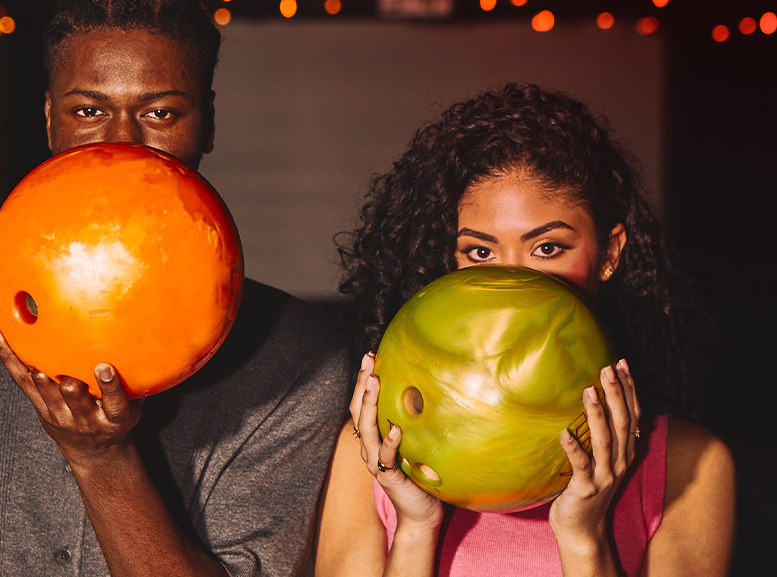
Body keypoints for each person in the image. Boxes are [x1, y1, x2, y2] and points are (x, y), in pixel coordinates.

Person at [0, 0, 351, 576]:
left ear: (206, 124)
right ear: (51, 123)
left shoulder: (299, 361)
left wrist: (103, 458)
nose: (121, 145)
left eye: (160, 112)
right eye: (88, 111)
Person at [315, 83, 735, 576]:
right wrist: (415, 525)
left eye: (548, 248)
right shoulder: (372, 454)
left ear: (610, 252)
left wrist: (583, 536)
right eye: (480, 252)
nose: (509, 282)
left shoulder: (691, 464)